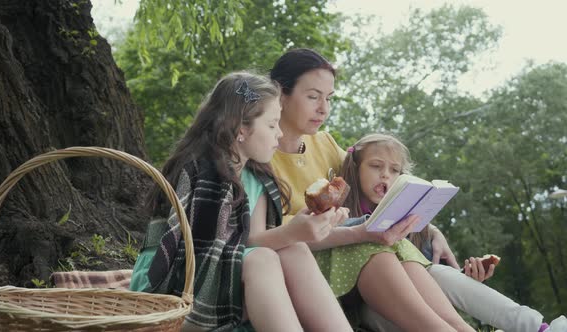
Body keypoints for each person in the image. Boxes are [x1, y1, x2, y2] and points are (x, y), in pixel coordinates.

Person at [269, 48, 564, 332]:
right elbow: (275, 237)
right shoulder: (261, 159)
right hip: (317, 269)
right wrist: (361, 231)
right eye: (313, 97)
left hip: (377, 267)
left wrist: (431, 229)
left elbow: (375, 195)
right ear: (281, 93)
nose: (324, 108)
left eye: (329, 98)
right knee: (378, 247)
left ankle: (527, 327)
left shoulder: (324, 144)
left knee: (409, 258)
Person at [130, 72, 352, 332]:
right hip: (175, 281)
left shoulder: (256, 176)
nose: (280, 134)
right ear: (242, 129)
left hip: (224, 273)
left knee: (294, 250)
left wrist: (299, 231)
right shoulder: (200, 173)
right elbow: (202, 252)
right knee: (262, 260)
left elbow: (250, 241)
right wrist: (292, 233)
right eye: (271, 125)